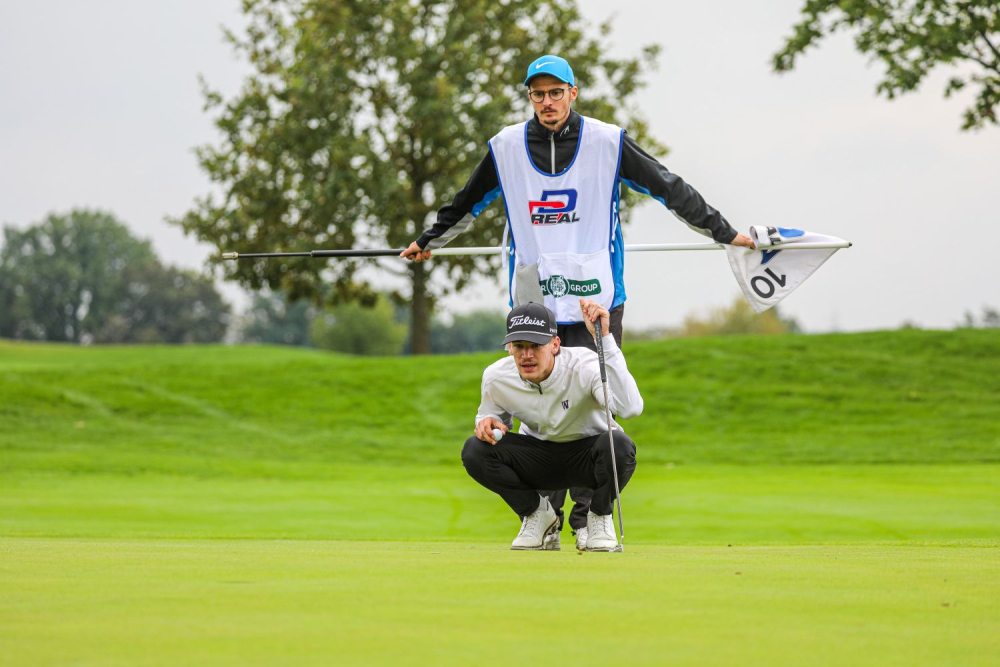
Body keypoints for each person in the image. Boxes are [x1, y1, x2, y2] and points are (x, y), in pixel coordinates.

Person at [402, 54, 754, 549]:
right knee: (538, 410)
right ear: (530, 97)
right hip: (535, 300)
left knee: (595, 404)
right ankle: (542, 517)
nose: (547, 102)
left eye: (555, 92)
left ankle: (589, 520)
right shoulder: (504, 147)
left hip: (597, 299)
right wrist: (430, 240)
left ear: (572, 93)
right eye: (537, 94)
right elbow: (466, 202)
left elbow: (668, 188)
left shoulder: (607, 142)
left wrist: (725, 232)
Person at [462, 299, 642, 551]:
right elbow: (492, 422)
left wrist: (606, 342)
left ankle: (600, 516)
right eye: (519, 346)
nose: (526, 355)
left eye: (536, 346)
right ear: (510, 349)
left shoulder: (584, 365)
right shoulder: (496, 377)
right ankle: (536, 513)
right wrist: (485, 425)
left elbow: (630, 408)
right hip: (539, 458)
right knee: (474, 450)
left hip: (587, 457)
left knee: (620, 446)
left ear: (555, 344)